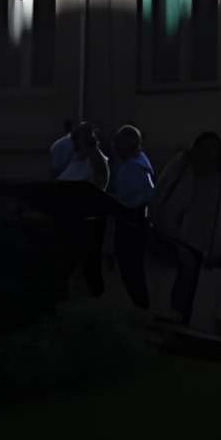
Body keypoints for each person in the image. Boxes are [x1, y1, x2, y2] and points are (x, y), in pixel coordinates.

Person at [154, 131, 221, 326]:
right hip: (177, 239)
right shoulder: (185, 170)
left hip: (194, 242)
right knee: (186, 273)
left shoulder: (216, 179)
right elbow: (167, 208)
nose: (210, 158)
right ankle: (177, 316)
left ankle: (183, 318)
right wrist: (179, 244)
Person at [46, 120, 108, 298]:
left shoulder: (96, 161)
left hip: (85, 225)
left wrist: (90, 145)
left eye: (78, 142)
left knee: (85, 272)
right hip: (66, 223)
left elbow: (99, 176)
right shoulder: (75, 162)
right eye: (75, 141)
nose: (74, 146)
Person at [104, 123, 155, 310]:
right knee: (135, 271)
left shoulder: (130, 169)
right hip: (139, 223)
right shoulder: (143, 162)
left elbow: (126, 200)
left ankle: (140, 308)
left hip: (129, 224)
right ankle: (140, 306)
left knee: (131, 271)